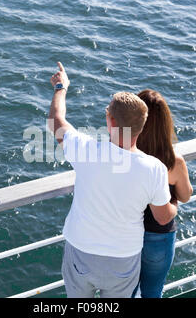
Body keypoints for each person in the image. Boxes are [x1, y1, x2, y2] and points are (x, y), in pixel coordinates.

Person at [48, 62, 178, 298]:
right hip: (123, 259)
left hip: (81, 251)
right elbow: (162, 216)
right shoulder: (154, 169)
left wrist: (61, 86)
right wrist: (174, 207)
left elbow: (56, 120)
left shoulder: (85, 149)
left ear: (110, 121)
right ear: (143, 125)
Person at [132, 89, 193, 298]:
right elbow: (185, 196)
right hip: (159, 236)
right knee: (152, 291)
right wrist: (173, 201)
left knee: (125, 292)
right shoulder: (174, 161)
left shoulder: (126, 155)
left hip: (127, 233)